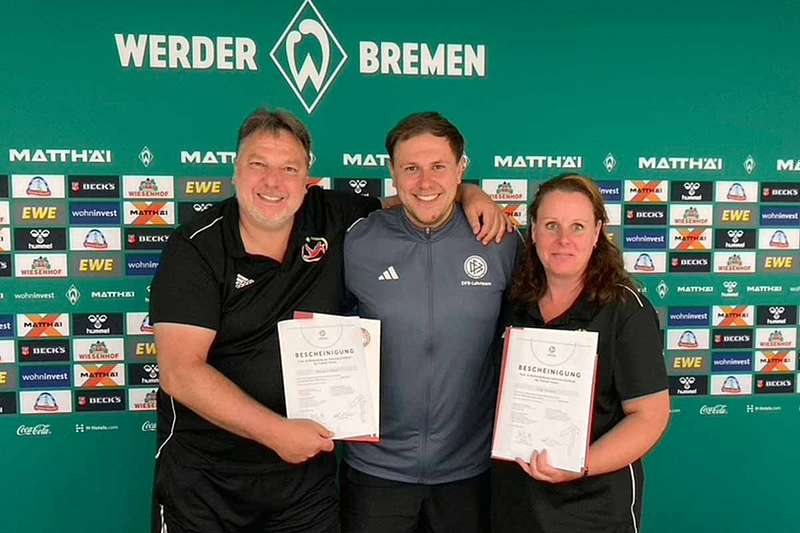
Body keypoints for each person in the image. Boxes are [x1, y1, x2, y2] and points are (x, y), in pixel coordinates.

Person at [149, 107, 510, 533]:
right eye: (257, 164)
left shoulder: (334, 217)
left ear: (307, 178)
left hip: (304, 479)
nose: (272, 182)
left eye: (289, 168)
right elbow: (180, 373)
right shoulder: (195, 247)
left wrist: (470, 194)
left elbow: (419, 197)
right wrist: (276, 432)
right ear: (235, 170)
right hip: (208, 477)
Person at [340, 112, 521, 533]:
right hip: (375, 471)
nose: (425, 182)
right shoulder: (358, 239)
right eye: (411, 168)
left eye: (439, 166)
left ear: (461, 169)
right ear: (392, 173)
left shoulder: (500, 241)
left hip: (468, 472)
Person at [492, 174, 670, 533]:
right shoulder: (513, 301)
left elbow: (650, 417)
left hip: (594, 506)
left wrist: (581, 463)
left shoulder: (625, 310)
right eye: (552, 225)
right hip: (515, 501)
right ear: (534, 230)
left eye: (577, 227)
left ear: (597, 232)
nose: (563, 241)